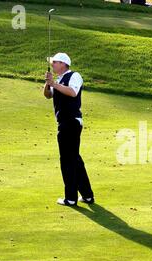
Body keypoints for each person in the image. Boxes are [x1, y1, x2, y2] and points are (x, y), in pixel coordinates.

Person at [44, 53, 94, 206]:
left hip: (71, 123)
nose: (52, 65)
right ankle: (87, 196)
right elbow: (47, 95)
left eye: (55, 62)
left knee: (67, 161)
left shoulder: (74, 75)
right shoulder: (57, 80)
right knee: (75, 160)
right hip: (64, 124)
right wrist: (48, 83)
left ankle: (71, 198)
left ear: (64, 64)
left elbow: (73, 92)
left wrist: (54, 84)